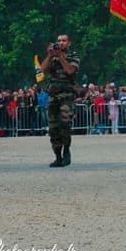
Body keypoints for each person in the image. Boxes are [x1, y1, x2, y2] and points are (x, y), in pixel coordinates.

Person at [39, 33, 80, 168]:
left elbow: (70, 71)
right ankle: (57, 156)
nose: (60, 43)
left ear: (69, 43)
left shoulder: (73, 56)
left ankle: (66, 149)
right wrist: (50, 55)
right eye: (58, 41)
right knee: (53, 127)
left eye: (63, 41)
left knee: (65, 124)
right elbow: (41, 72)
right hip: (53, 95)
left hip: (66, 95)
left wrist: (61, 57)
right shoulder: (52, 57)